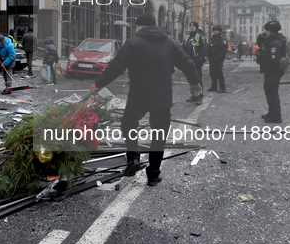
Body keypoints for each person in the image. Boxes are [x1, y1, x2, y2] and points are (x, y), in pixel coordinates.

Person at [91, 12, 201, 185]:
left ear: (141, 26)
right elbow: (187, 63)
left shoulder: (133, 42)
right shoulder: (170, 43)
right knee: (159, 135)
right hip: (162, 98)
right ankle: (153, 175)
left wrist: (98, 84)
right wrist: (194, 82)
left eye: (136, 26)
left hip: (138, 96)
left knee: (128, 123)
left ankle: (133, 159)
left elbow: (116, 66)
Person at [257, 21, 287, 123]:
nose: (265, 32)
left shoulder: (275, 43)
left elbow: (273, 60)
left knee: (272, 93)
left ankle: (276, 116)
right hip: (271, 71)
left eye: (267, 30)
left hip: (273, 71)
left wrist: (267, 69)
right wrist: (260, 37)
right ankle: (272, 112)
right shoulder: (272, 40)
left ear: (272, 31)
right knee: (269, 92)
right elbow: (261, 45)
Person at [182, 22, 207, 105]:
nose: (191, 27)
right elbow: (183, 48)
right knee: (190, 78)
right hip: (189, 61)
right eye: (191, 26)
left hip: (197, 61)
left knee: (198, 78)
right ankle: (194, 95)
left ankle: (199, 96)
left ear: (196, 27)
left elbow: (203, 49)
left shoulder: (199, 36)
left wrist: (200, 59)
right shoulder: (187, 37)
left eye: (193, 26)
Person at [207, 26, 228, 93]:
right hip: (212, 58)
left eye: (216, 30)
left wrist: (219, 57)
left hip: (218, 59)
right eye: (214, 30)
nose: (214, 32)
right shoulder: (213, 38)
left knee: (219, 73)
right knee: (212, 73)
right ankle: (214, 86)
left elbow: (223, 49)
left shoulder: (222, 38)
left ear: (219, 31)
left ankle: (222, 87)